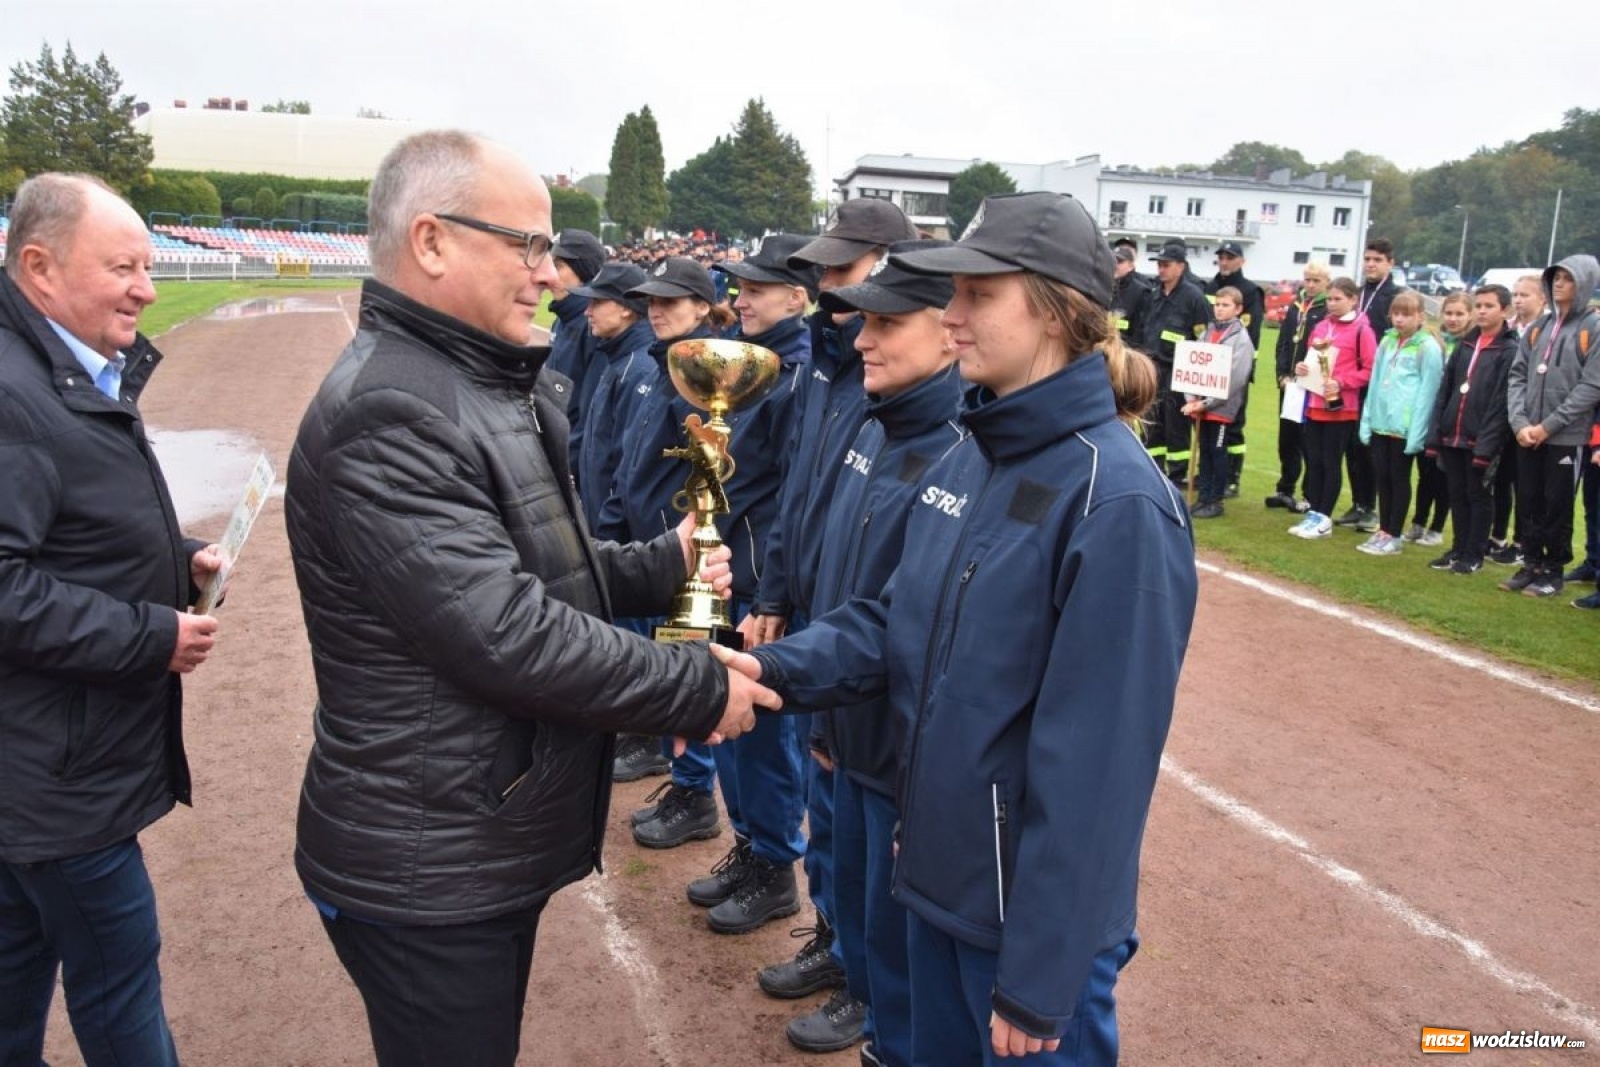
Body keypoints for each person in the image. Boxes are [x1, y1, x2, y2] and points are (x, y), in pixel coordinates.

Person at [283, 131, 777, 1067]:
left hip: (465, 833)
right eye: (528, 246)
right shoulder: (392, 408)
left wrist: (663, 559)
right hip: (426, 860)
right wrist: (699, 688)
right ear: (431, 241)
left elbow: (537, 570)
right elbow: (507, 632)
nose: (550, 276)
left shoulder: (469, 380)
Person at [721, 191, 1198, 1065]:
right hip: (936, 876)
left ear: (1053, 309)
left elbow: (1098, 768)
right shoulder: (972, 450)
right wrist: (763, 673)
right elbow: (893, 624)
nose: (953, 314)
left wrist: (1043, 976)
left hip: (1020, 928)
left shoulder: (1119, 502)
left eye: (979, 293)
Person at [0, 172, 225, 1066]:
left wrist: (179, 561)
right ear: (40, 267)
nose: (146, 286)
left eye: (147, 264)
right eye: (122, 267)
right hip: (59, 783)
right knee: (119, 981)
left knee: (17, 973)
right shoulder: (14, 396)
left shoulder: (54, 369)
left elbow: (70, 531)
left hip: (42, 770)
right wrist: (151, 634)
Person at [777, 240, 964, 1062]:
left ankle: (882, 1027)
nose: (861, 338)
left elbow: (915, 627)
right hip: (846, 725)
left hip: (893, 747)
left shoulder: (959, 446)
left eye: (888, 322)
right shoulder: (878, 419)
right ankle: (867, 1006)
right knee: (852, 901)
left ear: (947, 331)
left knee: (899, 950)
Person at [743, 199, 919, 1042]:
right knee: (828, 802)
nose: (825, 293)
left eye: (842, 274)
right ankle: (838, 941)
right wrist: (776, 593)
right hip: (815, 613)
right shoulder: (826, 361)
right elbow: (796, 496)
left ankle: (869, 980)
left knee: (861, 818)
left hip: (866, 633)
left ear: (889, 264)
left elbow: (896, 551)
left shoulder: (906, 385)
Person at [606, 258, 741, 791]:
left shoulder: (707, 370)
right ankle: (680, 778)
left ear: (703, 308)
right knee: (662, 669)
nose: (655, 310)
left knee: (689, 669)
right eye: (652, 302)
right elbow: (631, 459)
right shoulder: (658, 364)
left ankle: (692, 790)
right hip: (650, 547)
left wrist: (682, 544)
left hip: (683, 551)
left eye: (669, 301)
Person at [1502, 254, 1600, 599]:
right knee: (1528, 500)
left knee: (1556, 504)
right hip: (1527, 434)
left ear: (1584, 283)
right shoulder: (1538, 328)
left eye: (1567, 278)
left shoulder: (1593, 327)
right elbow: (1517, 376)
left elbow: (1591, 386)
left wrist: (1549, 426)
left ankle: (1553, 570)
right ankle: (1530, 562)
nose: (1559, 283)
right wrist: (1520, 423)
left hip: (1565, 437)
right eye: (1555, 277)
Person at [1425, 285, 1518, 575]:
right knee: (1457, 493)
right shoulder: (1466, 343)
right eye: (1478, 305)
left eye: (1488, 306)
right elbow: (1447, 389)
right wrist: (1436, 431)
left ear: (1505, 310)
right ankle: (1458, 547)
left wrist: (1487, 445)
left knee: (1478, 496)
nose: (1481, 311)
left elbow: (1501, 402)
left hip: (1481, 437)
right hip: (1453, 432)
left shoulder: (1509, 349)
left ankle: (1474, 553)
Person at [1355, 291, 1444, 556]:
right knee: (1382, 477)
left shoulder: (1428, 347)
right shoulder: (1387, 342)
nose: (1400, 319)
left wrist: (1417, 432)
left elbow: (1429, 392)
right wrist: (1367, 419)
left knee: (1398, 477)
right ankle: (1383, 530)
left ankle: (1394, 534)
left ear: (1420, 316)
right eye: (1396, 313)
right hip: (1382, 422)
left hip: (1405, 426)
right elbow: (1375, 382)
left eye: (1406, 314)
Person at [1288, 278, 1375, 539]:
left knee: (1330, 461)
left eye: (1339, 299)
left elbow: (1370, 370)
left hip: (1341, 407)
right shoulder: (1321, 327)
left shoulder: (1362, 331)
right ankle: (1313, 513)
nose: (1333, 304)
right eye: (1330, 299)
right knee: (1313, 461)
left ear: (1352, 299)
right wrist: (1302, 369)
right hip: (1314, 403)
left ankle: (1324, 517)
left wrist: (1341, 382)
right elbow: (1310, 361)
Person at [1335, 239, 1400, 533]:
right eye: (1368, 259)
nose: (1371, 264)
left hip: (1377, 381)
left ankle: (1372, 508)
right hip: (1350, 382)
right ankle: (1359, 503)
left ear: (1390, 263)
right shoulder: (1357, 294)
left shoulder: (1393, 296)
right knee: (1352, 446)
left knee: (1370, 447)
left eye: (1377, 259)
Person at [1141, 240, 1212, 484]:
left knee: (1176, 425)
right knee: (1152, 422)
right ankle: (1154, 468)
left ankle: (1178, 473)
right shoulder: (1153, 293)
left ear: (1180, 266)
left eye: (1166, 265)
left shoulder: (1194, 297)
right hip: (1153, 367)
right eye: (1159, 265)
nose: (1161, 270)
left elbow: (1204, 338)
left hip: (1178, 371)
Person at [1182, 286, 1255, 518]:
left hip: (1221, 407)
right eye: (1218, 304)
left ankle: (1216, 499)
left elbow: (1235, 378)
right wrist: (1191, 397)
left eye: (1226, 305)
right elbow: (1193, 367)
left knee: (1217, 450)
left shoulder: (1240, 339)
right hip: (1201, 405)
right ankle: (1203, 496)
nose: (1220, 309)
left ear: (1238, 309)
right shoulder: (1207, 332)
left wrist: (1206, 403)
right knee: (1205, 451)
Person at [1407, 293, 1471, 547]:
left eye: (1459, 314)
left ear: (1469, 315)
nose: (1453, 319)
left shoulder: (1469, 344)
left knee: (1445, 475)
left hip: (1453, 419)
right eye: (1449, 313)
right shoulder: (1433, 340)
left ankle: (1436, 528)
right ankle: (1418, 522)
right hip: (1430, 415)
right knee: (1426, 474)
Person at [1490, 277, 1547, 565]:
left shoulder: (1547, 331)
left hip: (1531, 419)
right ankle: (1497, 535)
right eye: (1515, 294)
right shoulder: (1509, 330)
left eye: (1525, 294)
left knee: (1525, 485)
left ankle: (1523, 541)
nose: (1519, 300)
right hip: (1504, 416)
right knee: (1500, 479)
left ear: (1542, 299)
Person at [1204, 241, 1266, 495]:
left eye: (1230, 257)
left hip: (1234, 370)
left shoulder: (1250, 291)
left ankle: (1232, 477)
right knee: (1209, 435)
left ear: (1241, 260)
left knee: (1234, 427)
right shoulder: (1209, 287)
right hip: (1208, 372)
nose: (1225, 261)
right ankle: (1210, 478)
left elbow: (1249, 332)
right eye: (1221, 256)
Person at [1267, 263, 1330, 511]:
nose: (1311, 284)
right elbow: (1283, 342)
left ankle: (1309, 495)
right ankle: (1285, 488)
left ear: (1326, 281)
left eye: (1316, 280)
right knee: (1287, 439)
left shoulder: (1325, 309)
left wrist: (1311, 379)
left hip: (1310, 385)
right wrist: (1281, 374)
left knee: (1309, 442)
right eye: (1307, 279)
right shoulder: (1296, 306)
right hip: (1289, 385)